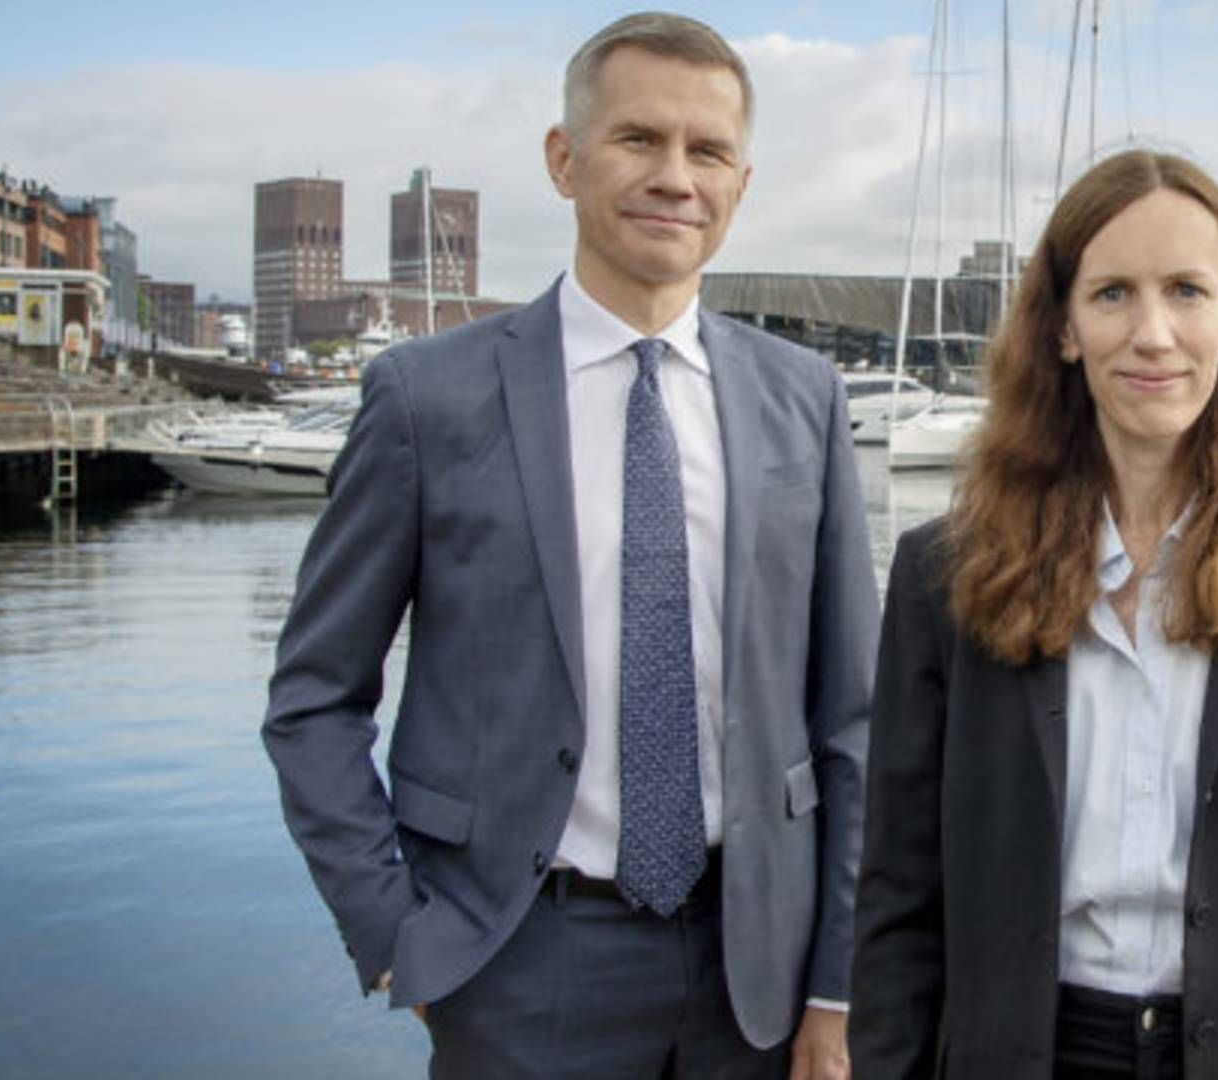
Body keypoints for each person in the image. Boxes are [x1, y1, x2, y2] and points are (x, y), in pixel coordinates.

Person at [262, 12, 876, 1078]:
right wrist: (399, 941)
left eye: (709, 151)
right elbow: (314, 701)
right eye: (639, 139)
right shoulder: (424, 401)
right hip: (516, 960)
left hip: (761, 974)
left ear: (739, 182)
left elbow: (854, 719)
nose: (675, 177)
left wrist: (839, 980)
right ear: (565, 158)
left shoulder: (805, 401)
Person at [848, 150, 1218, 1079]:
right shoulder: (945, 575)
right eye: (1114, 293)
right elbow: (898, 898)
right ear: (1065, 328)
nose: (1153, 334)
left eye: (1187, 291)